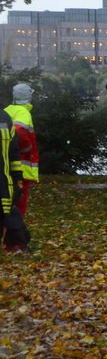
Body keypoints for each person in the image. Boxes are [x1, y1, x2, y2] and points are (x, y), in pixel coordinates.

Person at [4, 83, 38, 216]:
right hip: (22, 167)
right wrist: (25, 147)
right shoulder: (24, 113)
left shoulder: (7, 110)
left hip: (8, 165)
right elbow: (19, 130)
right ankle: (15, 231)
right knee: (20, 201)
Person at [1, 106, 28, 253]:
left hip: (4, 184)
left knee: (10, 214)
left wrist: (18, 180)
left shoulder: (4, 118)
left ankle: (16, 243)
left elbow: (14, 154)